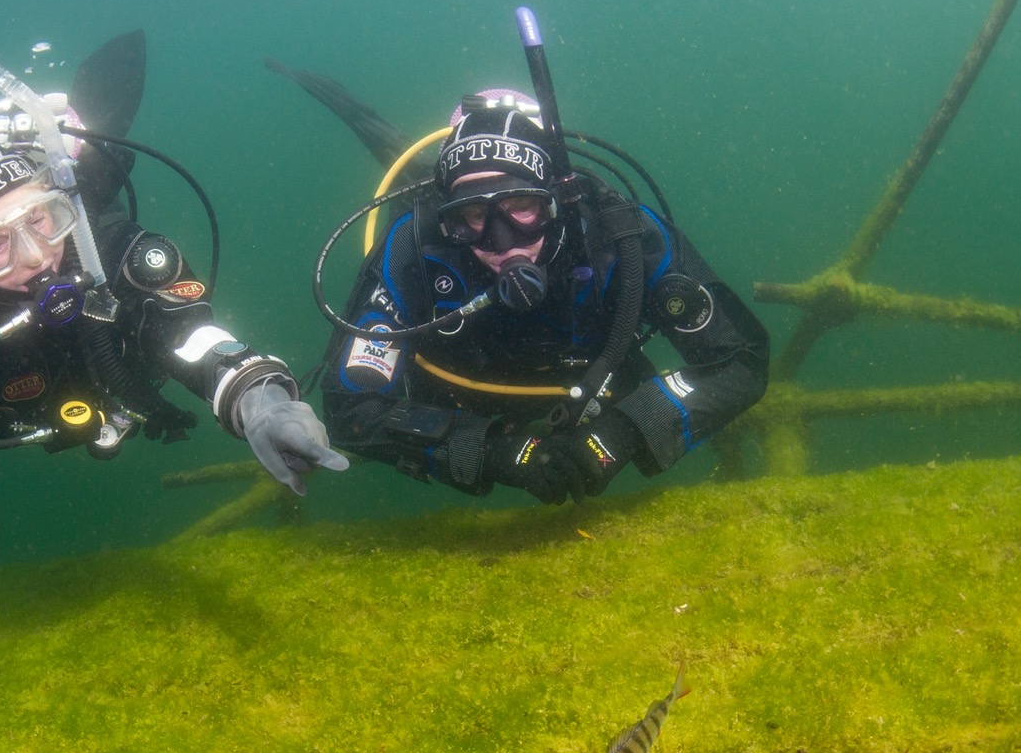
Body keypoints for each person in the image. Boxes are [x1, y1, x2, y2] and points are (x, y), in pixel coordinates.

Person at [0, 95, 344, 552]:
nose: (35, 257)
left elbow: (185, 333)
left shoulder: (111, 256)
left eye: (41, 219)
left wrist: (257, 398)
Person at [321, 96, 767, 504]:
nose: (501, 242)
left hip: (601, 397)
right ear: (448, 217)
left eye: (521, 206)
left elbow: (740, 357)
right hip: (458, 406)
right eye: (472, 215)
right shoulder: (415, 249)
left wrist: (622, 432)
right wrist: (498, 453)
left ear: (556, 200)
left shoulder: (620, 238)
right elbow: (350, 405)